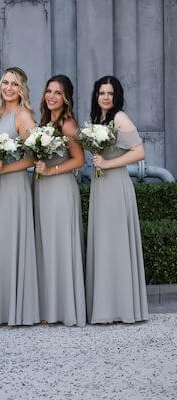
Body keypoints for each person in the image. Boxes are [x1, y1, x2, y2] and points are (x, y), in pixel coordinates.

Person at [86, 75, 148, 324]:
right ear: (96, 95)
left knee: (116, 243)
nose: (106, 97)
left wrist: (109, 163)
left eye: (110, 93)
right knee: (103, 243)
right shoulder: (94, 120)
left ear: (117, 96)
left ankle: (120, 308)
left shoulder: (120, 118)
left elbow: (140, 151)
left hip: (115, 184)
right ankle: (104, 308)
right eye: (102, 92)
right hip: (99, 185)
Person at [0, 67, 39, 326]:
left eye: (14, 84)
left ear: (22, 89)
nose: (8, 87)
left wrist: (6, 167)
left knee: (11, 240)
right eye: (5, 82)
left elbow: (34, 156)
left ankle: (15, 308)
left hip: (13, 184)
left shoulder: (23, 115)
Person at [33, 75, 86, 327]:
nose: (51, 96)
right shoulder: (44, 122)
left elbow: (79, 160)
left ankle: (66, 309)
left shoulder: (67, 124)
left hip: (60, 188)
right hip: (42, 188)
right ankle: (50, 308)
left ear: (66, 98)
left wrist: (51, 171)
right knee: (46, 246)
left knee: (61, 246)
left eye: (57, 92)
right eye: (48, 91)